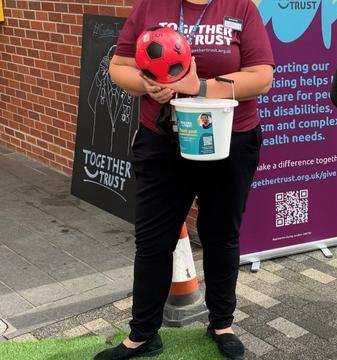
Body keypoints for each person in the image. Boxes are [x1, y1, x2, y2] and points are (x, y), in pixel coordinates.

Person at [94, 0, 273, 359]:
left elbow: (261, 77)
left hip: (228, 140)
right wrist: (148, 85)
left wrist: (198, 87)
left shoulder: (242, 7)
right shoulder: (149, 6)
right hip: (162, 141)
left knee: (221, 235)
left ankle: (222, 324)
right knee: (152, 241)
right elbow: (119, 66)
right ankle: (143, 334)